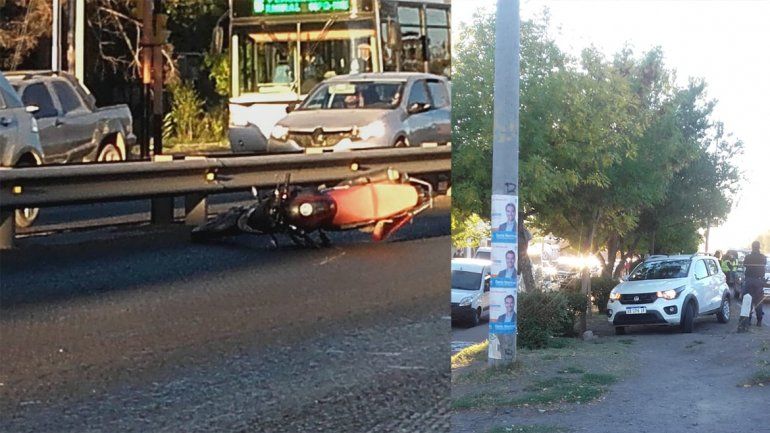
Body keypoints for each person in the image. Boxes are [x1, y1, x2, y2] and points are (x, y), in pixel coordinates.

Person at [743, 241, 767, 326]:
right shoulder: (763, 257)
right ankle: (759, 321)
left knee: (747, 300)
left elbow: (745, 265)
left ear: (752, 247)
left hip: (749, 280)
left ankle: (748, 320)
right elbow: (764, 264)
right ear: (759, 247)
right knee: (758, 301)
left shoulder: (748, 257)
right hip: (759, 281)